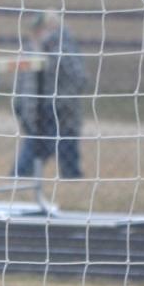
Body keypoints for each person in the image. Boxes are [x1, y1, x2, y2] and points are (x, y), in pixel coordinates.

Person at [12, 10, 86, 180]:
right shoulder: (31, 49)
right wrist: (20, 104)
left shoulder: (64, 47)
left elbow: (79, 77)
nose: (36, 33)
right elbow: (23, 81)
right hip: (36, 108)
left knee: (65, 144)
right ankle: (20, 176)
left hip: (59, 108)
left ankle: (70, 177)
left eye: (40, 29)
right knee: (37, 144)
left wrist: (64, 100)